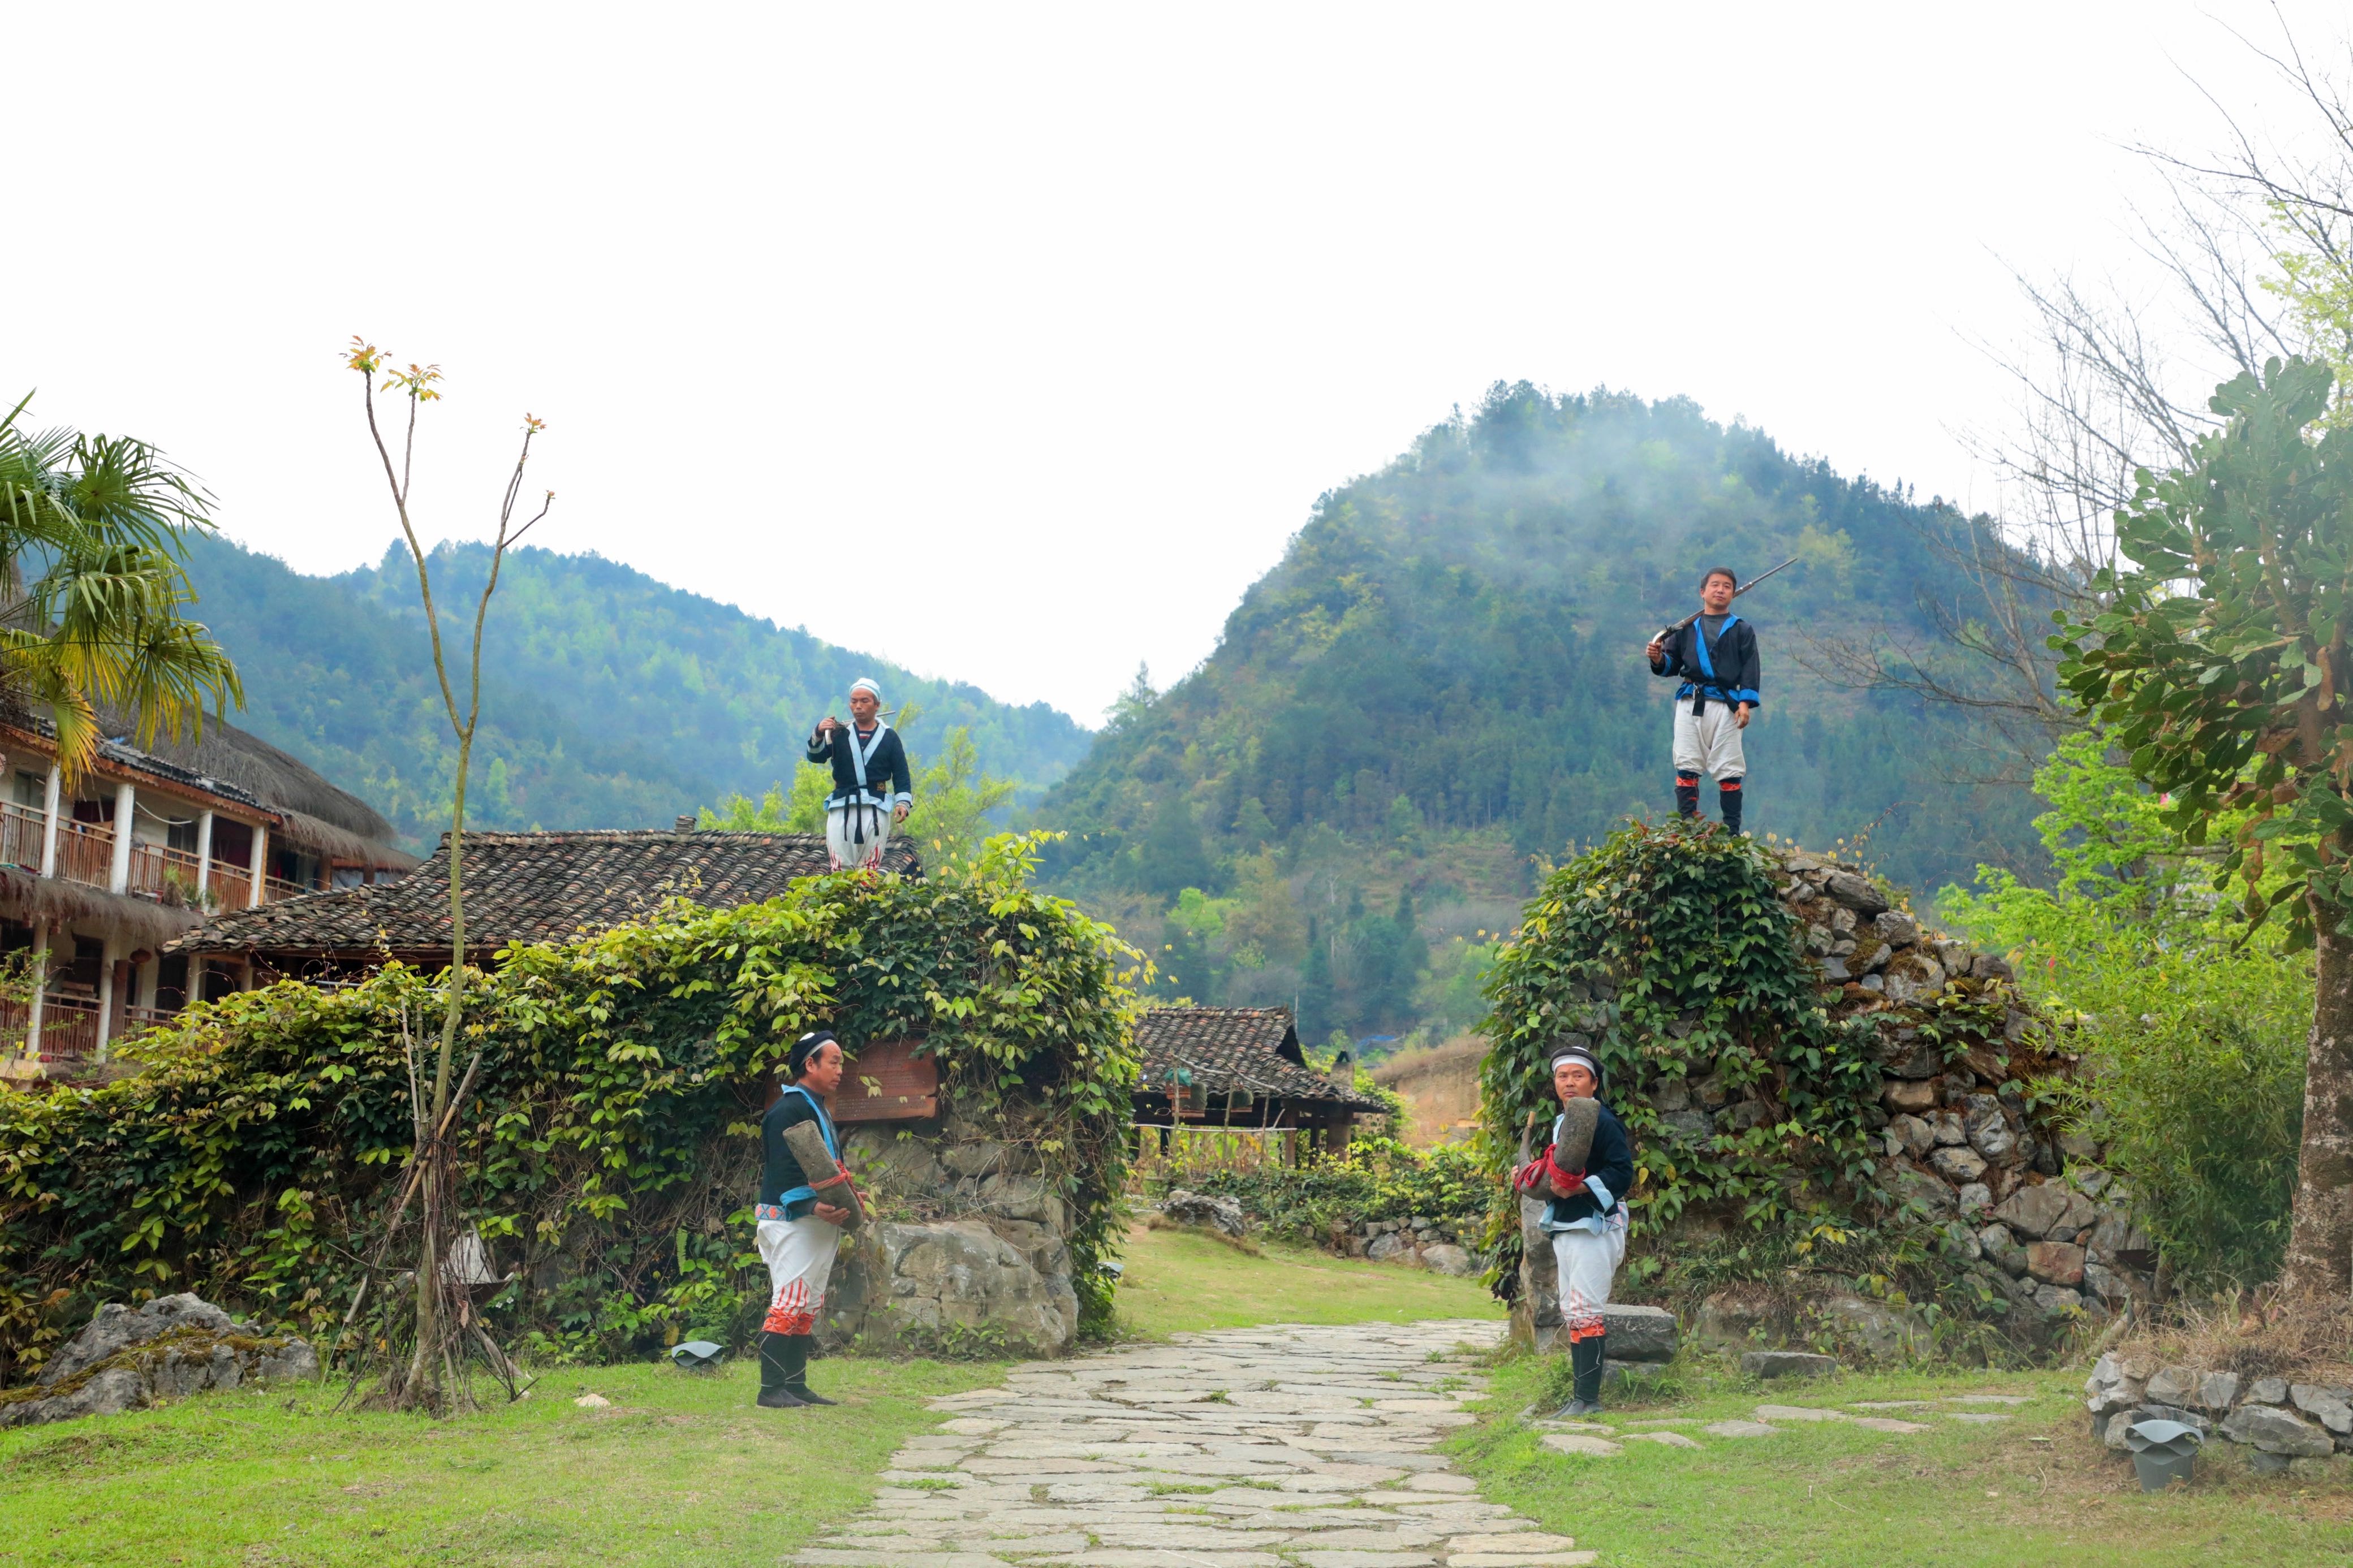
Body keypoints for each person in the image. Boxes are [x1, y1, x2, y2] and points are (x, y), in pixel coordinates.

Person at [755, 1030, 855, 1408]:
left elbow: (827, 1167)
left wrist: (848, 1196)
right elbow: (782, 1170)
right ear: (809, 1064)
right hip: (792, 1219)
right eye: (834, 1060)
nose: (840, 1069)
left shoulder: (815, 1107)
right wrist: (812, 1206)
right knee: (791, 1299)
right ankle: (770, 1390)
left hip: (813, 1221)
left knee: (807, 1301)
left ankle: (795, 1385)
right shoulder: (788, 1108)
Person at [1537, 1044, 1634, 1418]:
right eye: (1563, 1076)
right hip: (1567, 1225)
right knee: (1574, 1310)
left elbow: (1621, 1172)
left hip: (1595, 1225)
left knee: (1587, 1309)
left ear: (1594, 1082)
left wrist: (1581, 1188)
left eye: (1578, 1075)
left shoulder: (1603, 1121)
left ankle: (1589, 1400)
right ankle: (1580, 1397)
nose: (1569, 1082)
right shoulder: (1563, 1122)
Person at [1645, 566, 1761, 834]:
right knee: (1687, 762)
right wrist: (1657, 658)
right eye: (1715, 585)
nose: (1721, 590)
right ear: (1703, 591)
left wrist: (1745, 704)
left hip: (1727, 706)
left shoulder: (1742, 629)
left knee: (1730, 765)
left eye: (1727, 586)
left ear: (1734, 593)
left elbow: (1750, 667)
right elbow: (1670, 665)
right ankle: (1688, 828)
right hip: (1691, 702)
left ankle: (1732, 832)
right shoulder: (1685, 629)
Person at [807, 678, 913, 870]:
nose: (858, 707)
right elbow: (816, 757)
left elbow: (901, 774)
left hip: (876, 807)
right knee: (840, 867)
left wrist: (902, 803)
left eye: (865, 701)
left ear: (877, 705)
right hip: (842, 807)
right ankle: (842, 900)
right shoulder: (838, 733)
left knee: (869, 869)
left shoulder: (889, 737)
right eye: (854, 701)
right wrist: (819, 733)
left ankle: (865, 900)